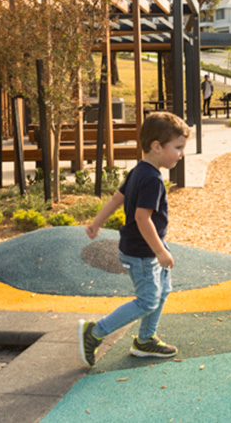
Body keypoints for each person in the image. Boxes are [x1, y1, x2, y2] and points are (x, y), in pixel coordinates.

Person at [80, 111, 191, 366]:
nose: (181, 154)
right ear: (156, 146)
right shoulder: (152, 179)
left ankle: (145, 340)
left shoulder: (139, 171)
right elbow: (143, 219)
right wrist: (161, 252)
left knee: (162, 292)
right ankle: (95, 333)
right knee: (147, 300)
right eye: (178, 147)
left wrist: (97, 223)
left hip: (146, 247)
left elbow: (117, 199)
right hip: (142, 252)